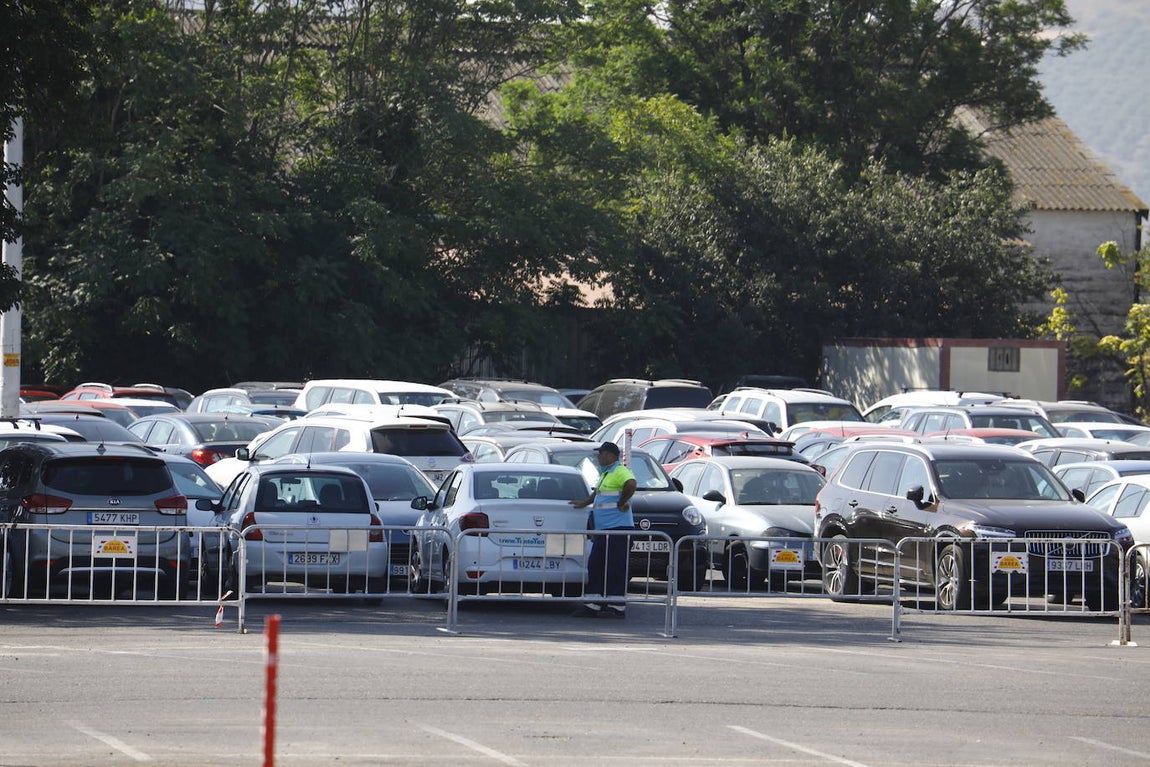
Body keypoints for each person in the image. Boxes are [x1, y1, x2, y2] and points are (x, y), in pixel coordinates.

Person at [569, 442, 637, 618]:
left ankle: (616, 605)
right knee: (597, 565)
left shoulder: (619, 471)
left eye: (600, 454)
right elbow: (599, 494)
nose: (598, 457)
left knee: (615, 567)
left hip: (617, 529)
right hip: (605, 529)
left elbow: (631, 483)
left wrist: (622, 502)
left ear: (609, 454)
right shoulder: (606, 473)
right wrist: (585, 502)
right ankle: (594, 603)